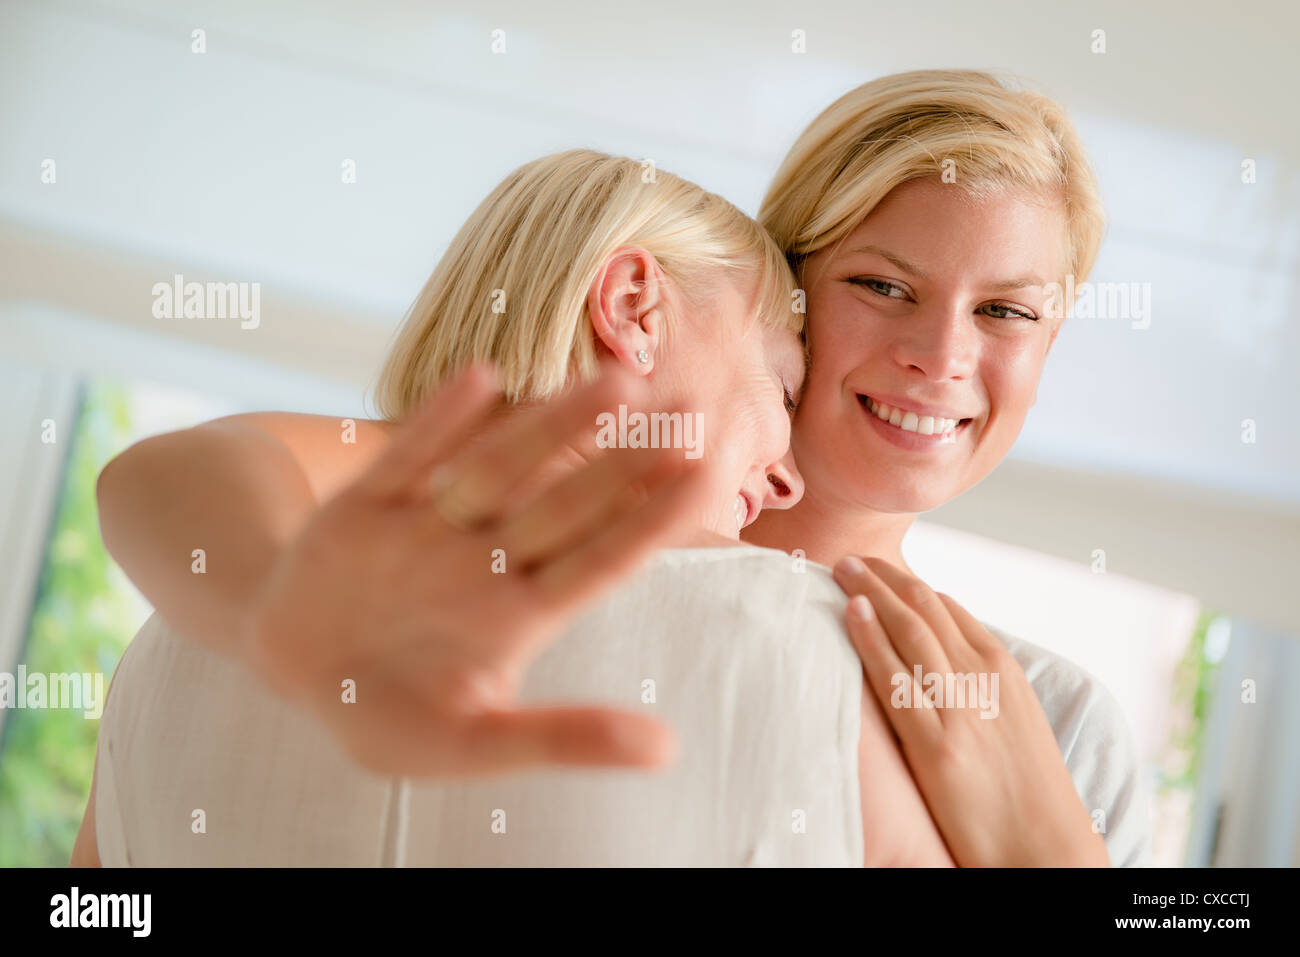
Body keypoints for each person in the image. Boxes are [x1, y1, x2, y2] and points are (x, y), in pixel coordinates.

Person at [76, 69, 1151, 867]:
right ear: (793, 288)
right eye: (881, 285)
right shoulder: (368, 561)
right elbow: (198, 474)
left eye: (1008, 311)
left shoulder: (1059, 721)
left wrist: (1051, 843)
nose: (944, 356)